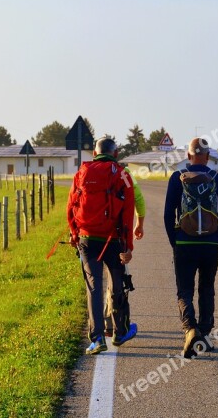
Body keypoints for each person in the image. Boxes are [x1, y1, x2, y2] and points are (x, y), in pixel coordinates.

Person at [164, 137, 218, 358]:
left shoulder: (177, 178)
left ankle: (190, 329)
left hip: (184, 242)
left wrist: (174, 240)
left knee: (184, 290)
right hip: (210, 243)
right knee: (206, 288)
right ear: (208, 156)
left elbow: (167, 214)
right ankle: (203, 334)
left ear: (188, 155)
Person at [68, 138, 138, 355]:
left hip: (87, 239)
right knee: (117, 285)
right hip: (114, 240)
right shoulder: (123, 175)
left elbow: (71, 206)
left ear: (94, 154)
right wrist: (128, 247)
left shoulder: (81, 173)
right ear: (115, 154)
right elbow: (127, 213)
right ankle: (119, 332)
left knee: (94, 287)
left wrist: (74, 235)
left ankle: (97, 338)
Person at [103, 165, 145, 336]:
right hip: (115, 236)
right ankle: (115, 326)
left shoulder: (91, 173)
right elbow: (139, 199)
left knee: (99, 284)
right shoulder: (124, 174)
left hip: (91, 236)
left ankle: (102, 327)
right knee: (116, 281)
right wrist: (139, 224)